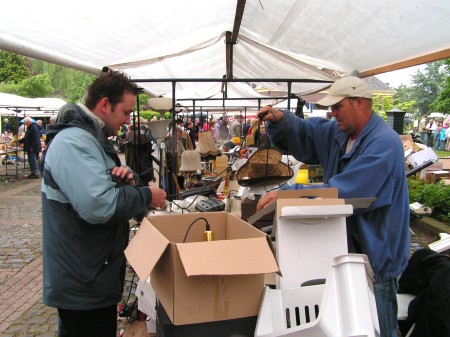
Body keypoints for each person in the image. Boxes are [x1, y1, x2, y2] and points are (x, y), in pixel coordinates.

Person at [256, 76, 410, 337]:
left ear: (360, 102)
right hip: (349, 254)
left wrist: (289, 195)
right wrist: (281, 120)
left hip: (377, 260)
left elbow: (349, 191)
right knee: (350, 325)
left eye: (338, 106)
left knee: (378, 328)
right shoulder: (341, 133)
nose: (332, 112)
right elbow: (308, 132)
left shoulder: (384, 143)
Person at [41, 70, 167, 337]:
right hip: (83, 280)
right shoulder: (73, 142)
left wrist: (125, 181)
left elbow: (97, 189)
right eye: (126, 112)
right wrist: (146, 196)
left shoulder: (91, 140)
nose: (128, 120)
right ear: (104, 105)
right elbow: (99, 205)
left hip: (93, 274)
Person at [125, 117, 155, 185]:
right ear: (140, 124)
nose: (144, 125)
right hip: (142, 168)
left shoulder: (128, 133)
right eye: (143, 124)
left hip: (131, 165)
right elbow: (148, 152)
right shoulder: (141, 135)